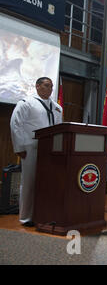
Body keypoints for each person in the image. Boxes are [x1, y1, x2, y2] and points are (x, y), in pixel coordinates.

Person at [10, 77, 63, 227]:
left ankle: (45, 214)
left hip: (51, 150)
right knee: (30, 182)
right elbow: (15, 124)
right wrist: (19, 147)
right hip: (31, 149)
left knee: (48, 183)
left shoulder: (57, 107)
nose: (50, 89)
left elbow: (59, 129)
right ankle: (26, 217)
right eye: (46, 85)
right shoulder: (26, 103)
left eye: (51, 86)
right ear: (38, 86)